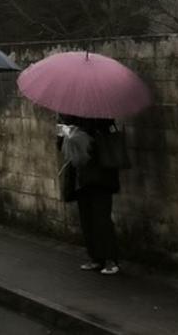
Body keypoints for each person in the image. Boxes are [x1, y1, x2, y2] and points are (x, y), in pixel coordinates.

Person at [59, 116, 122, 275]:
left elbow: (109, 139)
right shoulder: (67, 115)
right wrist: (68, 134)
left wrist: (85, 136)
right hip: (80, 175)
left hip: (101, 174)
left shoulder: (102, 116)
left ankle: (110, 259)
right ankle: (96, 257)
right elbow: (59, 142)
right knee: (86, 217)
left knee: (102, 216)